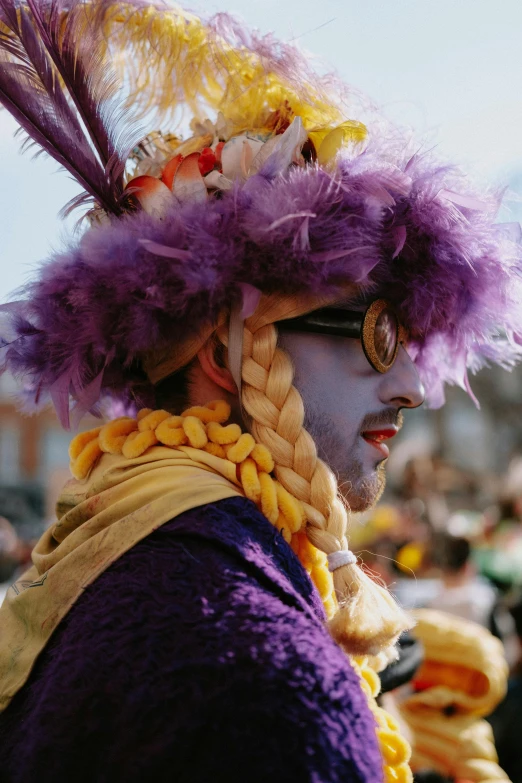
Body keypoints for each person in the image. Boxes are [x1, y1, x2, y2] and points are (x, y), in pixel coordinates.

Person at [0, 1, 521, 781]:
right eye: (380, 330)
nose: (419, 388)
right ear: (225, 348)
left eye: (414, 342)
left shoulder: (129, 556)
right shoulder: (261, 681)